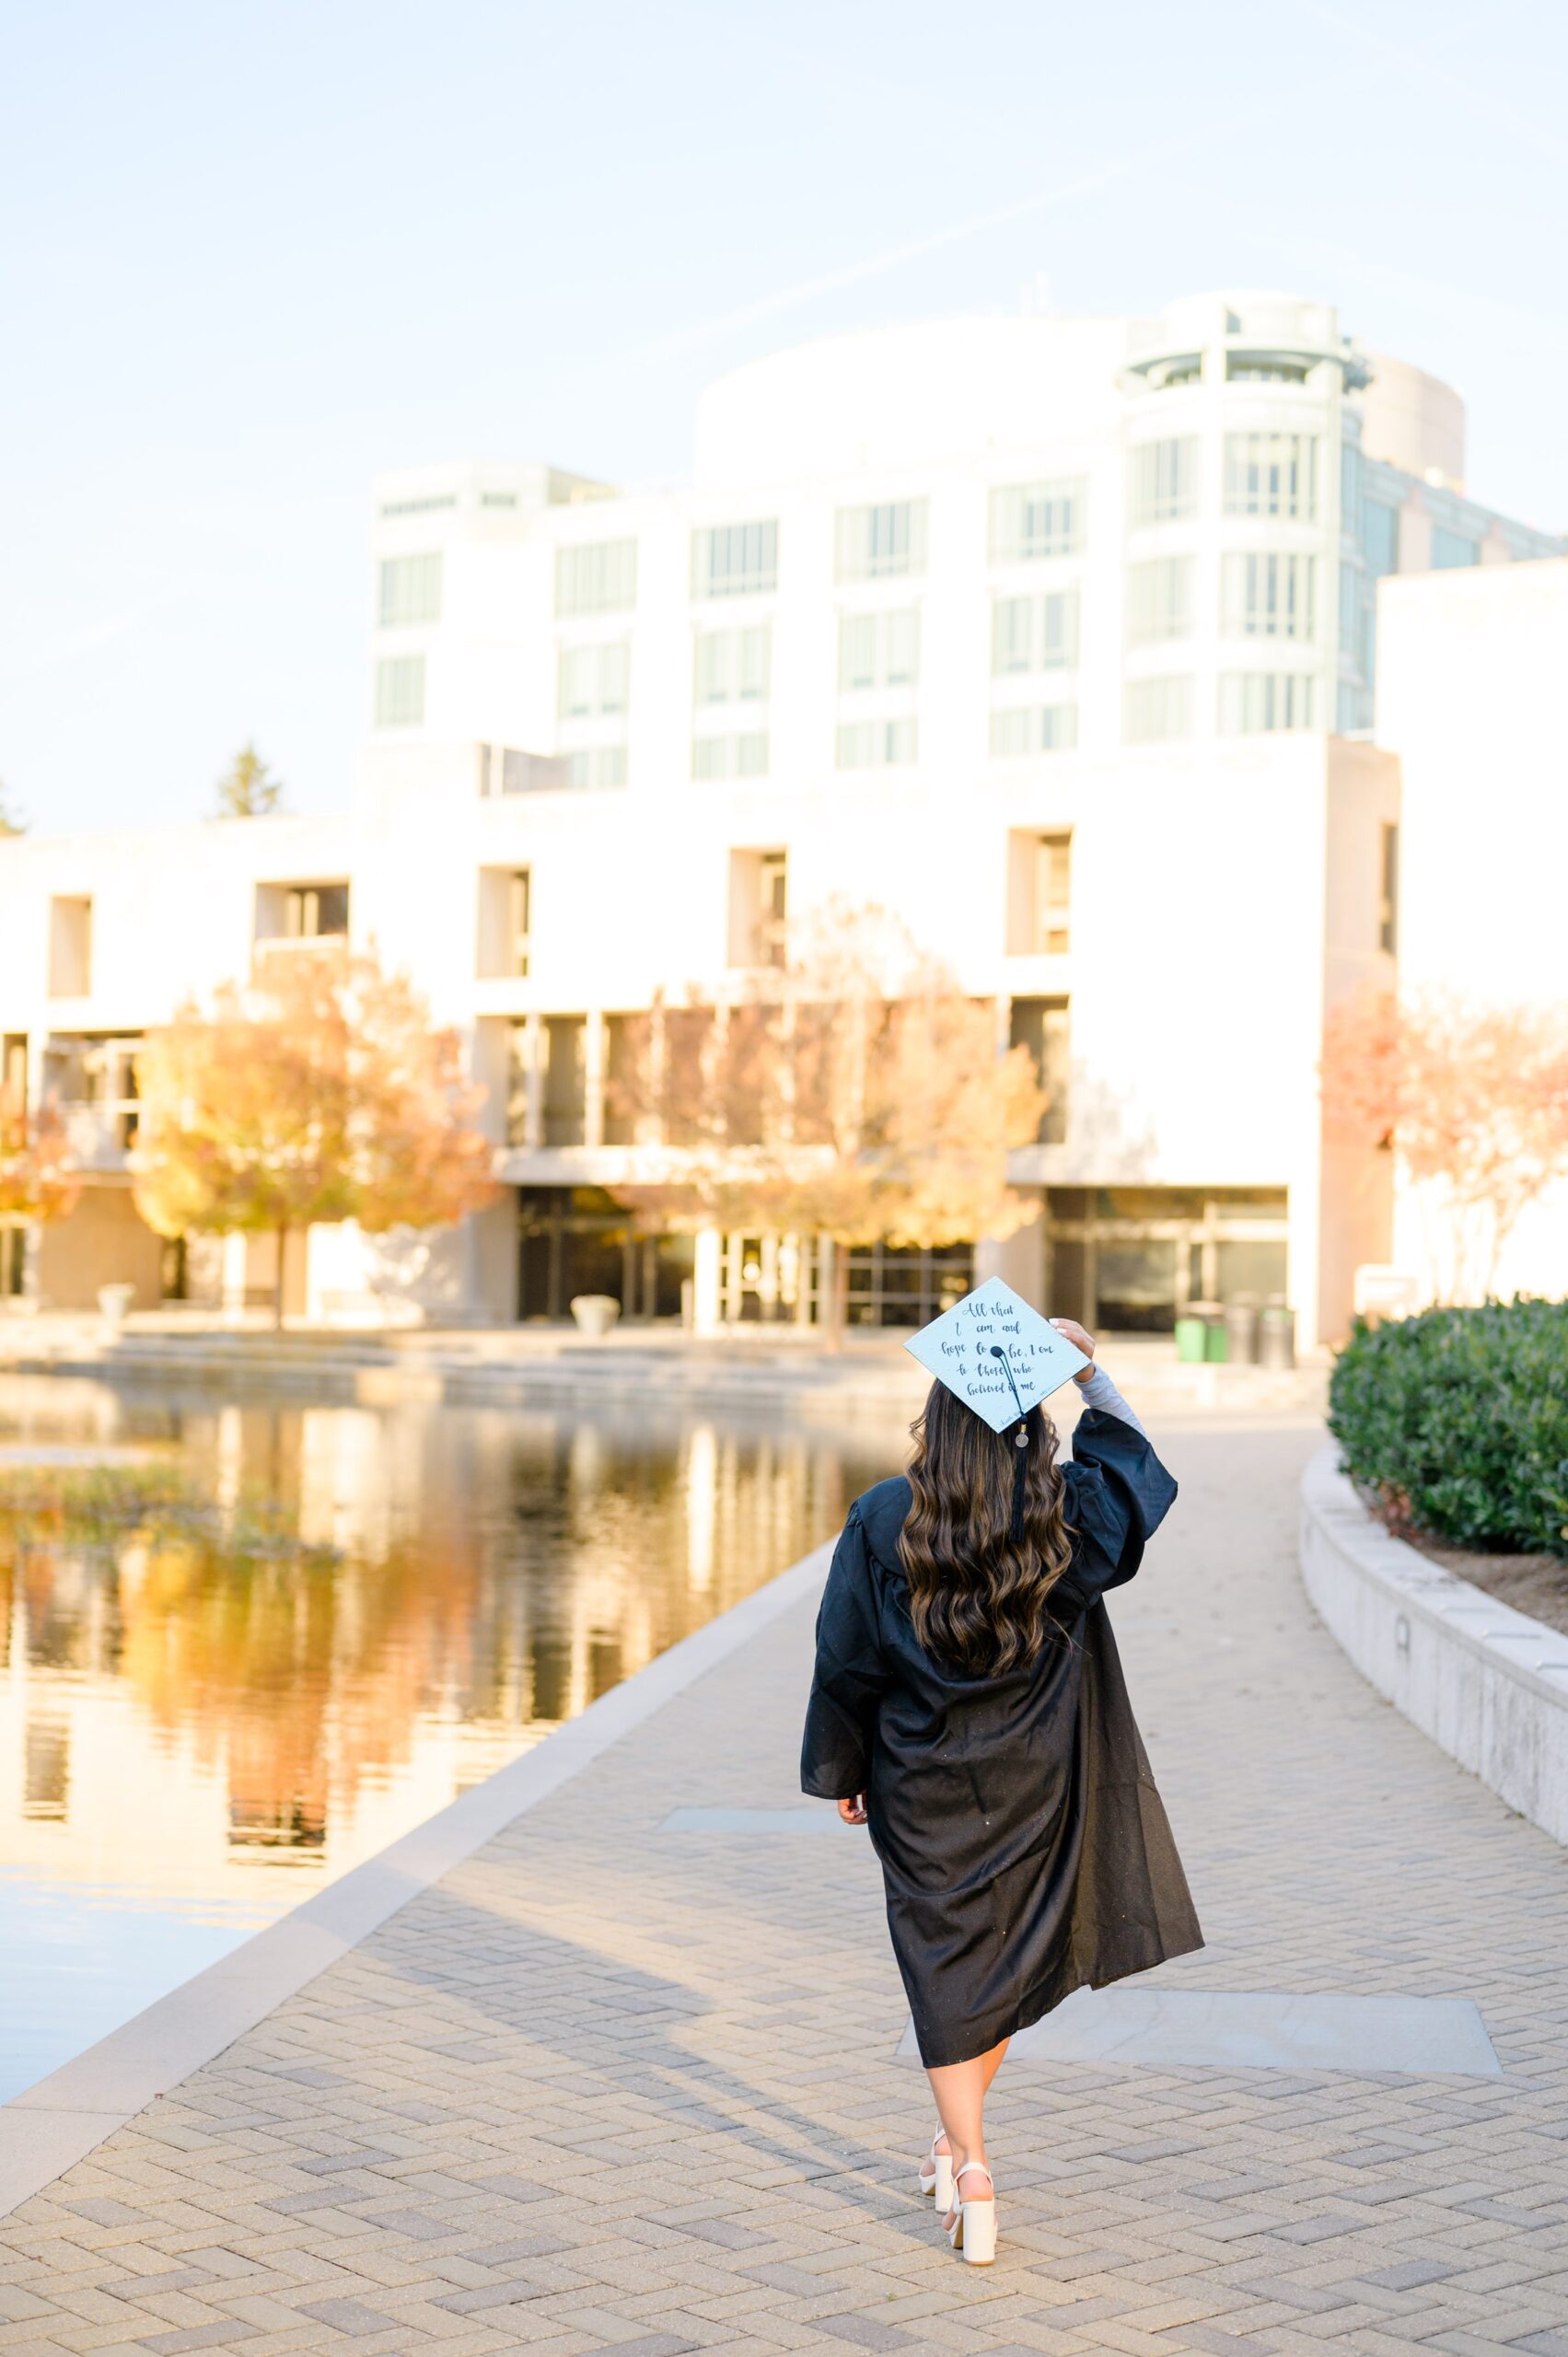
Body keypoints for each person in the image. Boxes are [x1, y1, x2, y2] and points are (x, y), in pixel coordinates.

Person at [800, 1311, 1202, 2265]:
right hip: (1034, 1782)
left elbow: (844, 1657)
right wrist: (1088, 1372)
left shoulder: (881, 1516)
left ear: (933, 1424)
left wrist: (843, 1764)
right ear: (1030, 1428)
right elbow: (1139, 1475)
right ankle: (959, 2146)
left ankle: (970, 2162)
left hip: (919, 1781)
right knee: (1006, 1960)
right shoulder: (1062, 1519)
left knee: (944, 1965)